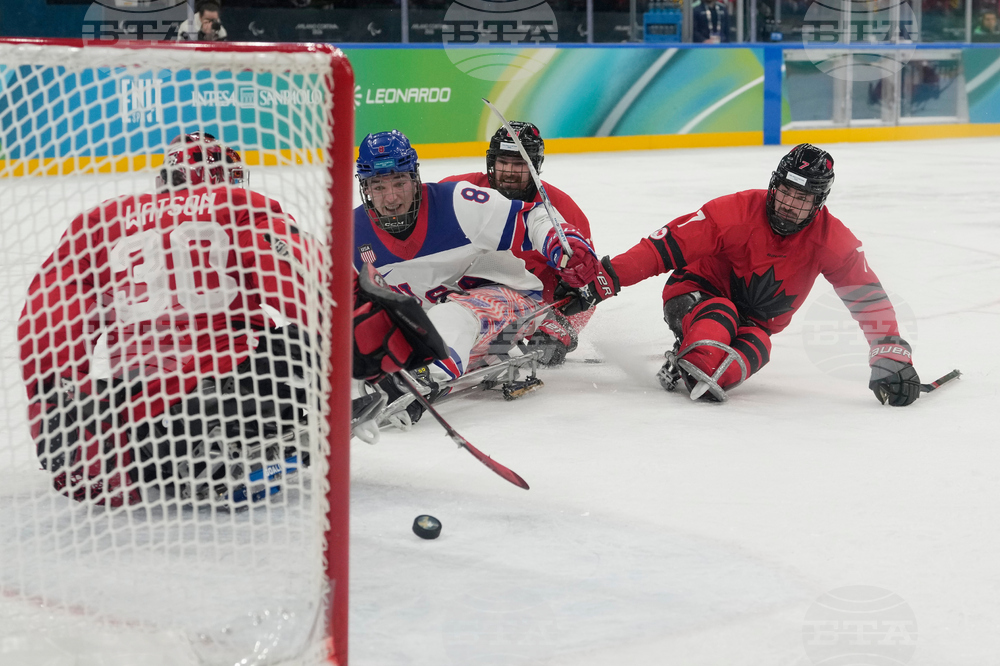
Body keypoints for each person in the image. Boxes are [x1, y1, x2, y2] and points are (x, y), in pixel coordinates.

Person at [18, 132, 315, 508]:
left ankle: (147, 434)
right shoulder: (240, 205)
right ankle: (250, 428)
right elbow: (304, 287)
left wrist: (51, 407)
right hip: (236, 380)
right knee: (304, 340)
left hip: (138, 409)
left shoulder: (101, 221)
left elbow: (46, 323)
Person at [577, 144, 920, 406]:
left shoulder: (832, 239)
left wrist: (890, 352)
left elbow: (867, 295)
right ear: (774, 184)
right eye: (785, 190)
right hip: (695, 293)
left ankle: (698, 362)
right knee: (720, 316)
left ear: (819, 201)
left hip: (755, 323)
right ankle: (695, 354)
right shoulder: (734, 212)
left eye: (802, 197)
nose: (788, 203)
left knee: (758, 347)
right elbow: (662, 248)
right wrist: (605, 280)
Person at [352, 129, 609, 417]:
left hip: (512, 299)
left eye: (399, 182)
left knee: (453, 315)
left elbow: (533, 217)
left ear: (415, 178)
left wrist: (563, 243)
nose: (391, 199)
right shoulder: (350, 234)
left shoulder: (457, 202)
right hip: (438, 319)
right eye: (378, 186)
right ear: (365, 187)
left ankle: (426, 376)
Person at [440, 121, 596, 366]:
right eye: (503, 162)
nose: (510, 171)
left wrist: (562, 326)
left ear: (535, 166)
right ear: (492, 163)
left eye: (519, 164)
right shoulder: (457, 192)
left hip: (527, 309)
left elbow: (587, 287)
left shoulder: (563, 212)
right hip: (456, 298)